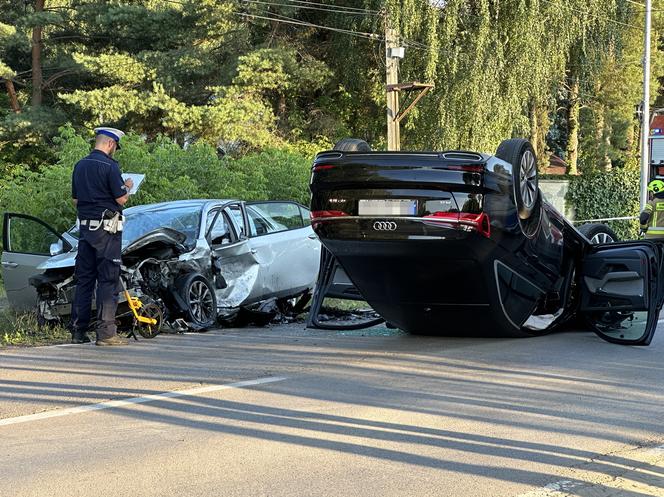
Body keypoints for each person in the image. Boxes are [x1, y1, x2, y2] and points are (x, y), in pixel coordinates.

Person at [70, 127, 134, 345]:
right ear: (110, 144)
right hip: (107, 231)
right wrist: (126, 187)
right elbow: (121, 199)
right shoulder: (110, 166)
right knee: (107, 279)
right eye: (115, 146)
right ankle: (107, 334)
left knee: (84, 280)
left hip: (86, 231)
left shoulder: (79, 166)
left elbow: (76, 201)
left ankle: (78, 332)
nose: (114, 150)